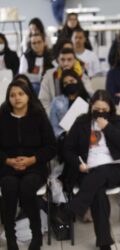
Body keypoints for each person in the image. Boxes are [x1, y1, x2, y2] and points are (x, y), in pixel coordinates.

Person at [63, 90, 120, 250]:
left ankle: (77, 205)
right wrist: (78, 164)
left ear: (110, 109)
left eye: (104, 109)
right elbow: (67, 149)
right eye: (97, 109)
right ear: (91, 107)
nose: (100, 112)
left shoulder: (118, 121)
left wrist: (107, 127)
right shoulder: (81, 122)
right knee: (98, 192)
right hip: (87, 170)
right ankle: (104, 242)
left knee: (101, 172)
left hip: (115, 168)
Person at [0, 80, 56, 250]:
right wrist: (7, 160)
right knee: (9, 187)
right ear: (8, 98)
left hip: (35, 166)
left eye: (20, 94)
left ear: (28, 96)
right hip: (8, 166)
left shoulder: (39, 116)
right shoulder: (2, 117)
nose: (16, 98)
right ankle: (11, 237)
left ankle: (36, 235)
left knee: (26, 187)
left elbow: (51, 147)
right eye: (12, 95)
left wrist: (32, 159)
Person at [39, 47, 93, 114]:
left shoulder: (82, 75)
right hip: (55, 115)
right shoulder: (49, 76)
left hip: (79, 115)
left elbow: (90, 96)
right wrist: (53, 116)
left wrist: (80, 77)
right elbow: (43, 101)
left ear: (75, 61)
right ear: (58, 60)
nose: (66, 63)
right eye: (62, 60)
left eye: (69, 60)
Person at [50, 69, 90, 138]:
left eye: (71, 81)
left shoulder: (88, 98)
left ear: (77, 80)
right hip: (66, 138)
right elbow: (54, 126)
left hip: (85, 137)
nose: (69, 84)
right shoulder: (56, 101)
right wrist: (64, 134)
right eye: (65, 83)